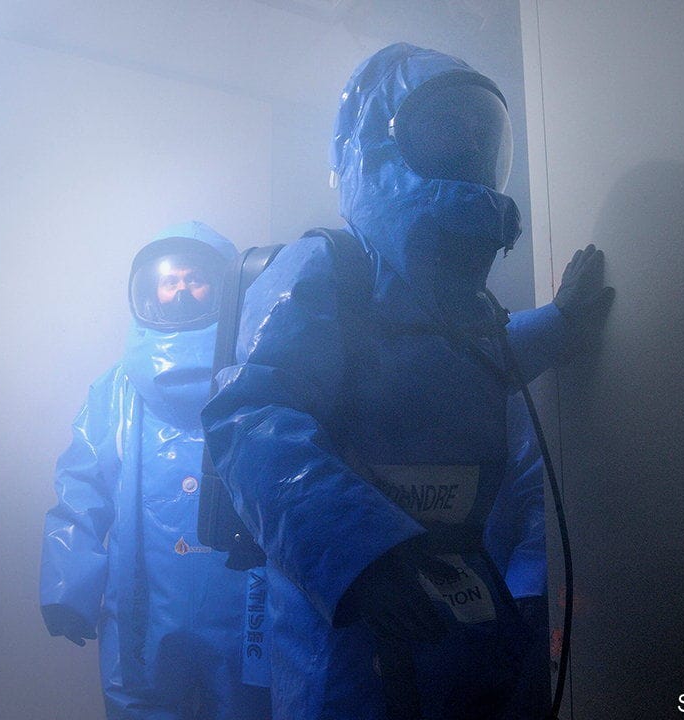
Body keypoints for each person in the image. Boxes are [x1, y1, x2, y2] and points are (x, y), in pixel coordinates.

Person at [201, 44, 612, 720]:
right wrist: (359, 559)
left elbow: (465, 365)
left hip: (455, 583)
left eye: (482, 129)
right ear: (380, 141)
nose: (471, 141)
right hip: (354, 607)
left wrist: (560, 325)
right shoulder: (327, 267)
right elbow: (251, 416)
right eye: (447, 124)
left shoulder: (461, 304)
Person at [40, 221, 271, 720]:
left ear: (226, 285)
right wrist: (66, 586)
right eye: (170, 281)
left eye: (195, 278)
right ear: (148, 290)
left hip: (245, 600)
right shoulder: (116, 391)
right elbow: (82, 484)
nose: (182, 291)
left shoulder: (258, 378)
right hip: (141, 601)